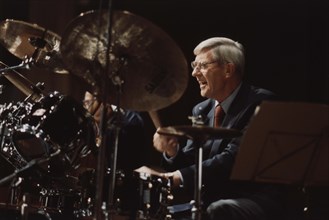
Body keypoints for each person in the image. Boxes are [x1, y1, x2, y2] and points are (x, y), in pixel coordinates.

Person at [136, 37, 303, 220]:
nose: (194, 73)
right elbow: (193, 163)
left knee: (218, 210)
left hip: (254, 198)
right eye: (194, 65)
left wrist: (173, 177)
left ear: (228, 70)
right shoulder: (202, 109)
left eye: (202, 65)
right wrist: (172, 151)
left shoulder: (260, 103)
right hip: (214, 200)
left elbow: (234, 160)